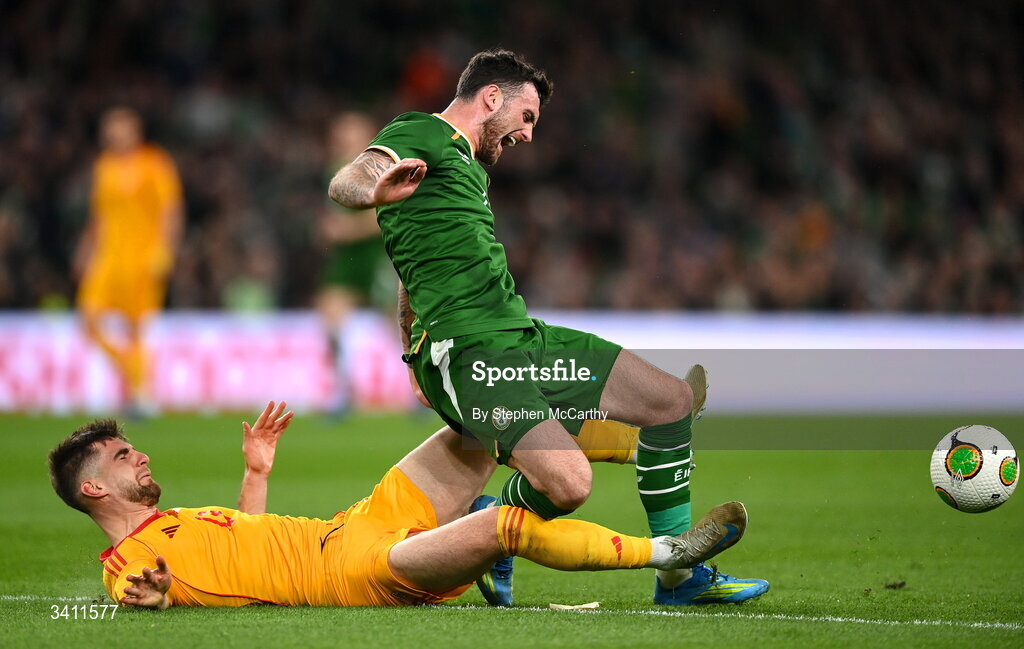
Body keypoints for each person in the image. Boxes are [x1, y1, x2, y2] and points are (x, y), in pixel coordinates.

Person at [329, 49, 768, 606]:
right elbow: (351, 178)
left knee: (672, 400)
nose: (528, 135)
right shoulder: (423, 132)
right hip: (473, 354)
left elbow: (410, 263)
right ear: (492, 97)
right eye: (527, 117)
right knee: (569, 484)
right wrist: (371, 189)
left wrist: (406, 345)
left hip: (521, 337)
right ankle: (493, 528)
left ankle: (678, 579)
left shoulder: (460, 167)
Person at [47, 401, 749, 609]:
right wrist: (144, 594)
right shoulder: (132, 557)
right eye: (119, 456)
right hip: (361, 573)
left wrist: (256, 472)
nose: (138, 454)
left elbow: (250, 538)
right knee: (502, 525)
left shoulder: (173, 522)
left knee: (477, 423)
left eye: (130, 446)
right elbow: (132, 586)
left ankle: (642, 432)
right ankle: (670, 553)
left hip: (355, 523)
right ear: (94, 490)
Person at [73, 107, 183, 416]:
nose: (112, 133)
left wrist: (165, 250)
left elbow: (171, 210)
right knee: (89, 321)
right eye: (108, 127)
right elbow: (99, 215)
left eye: (118, 127)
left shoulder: (154, 162)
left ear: (135, 130)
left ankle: (140, 396)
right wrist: (85, 251)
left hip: (142, 258)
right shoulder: (104, 165)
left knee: (135, 329)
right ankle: (135, 377)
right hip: (108, 259)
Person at [316, 112, 398, 415]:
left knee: (397, 326)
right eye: (339, 135)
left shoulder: (379, 169)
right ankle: (342, 392)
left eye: (349, 134)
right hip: (346, 260)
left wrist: (347, 230)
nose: (342, 140)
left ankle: (423, 388)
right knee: (329, 320)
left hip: (377, 257)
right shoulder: (334, 170)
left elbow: (385, 216)